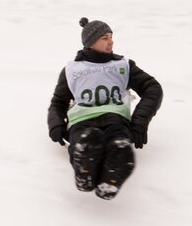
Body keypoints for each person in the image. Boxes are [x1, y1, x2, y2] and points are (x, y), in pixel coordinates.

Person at [47, 17, 163, 200]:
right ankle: (84, 171)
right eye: (105, 38)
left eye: (111, 37)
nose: (111, 41)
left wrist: (140, 123)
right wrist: (56, 124)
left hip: (115, 119)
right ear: (91, 42)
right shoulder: (72, 70)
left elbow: (153, 89)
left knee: (118, 146)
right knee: (86, 141)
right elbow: (58, 102)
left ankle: (111, 177)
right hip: (81, 120)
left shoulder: (122, 66)